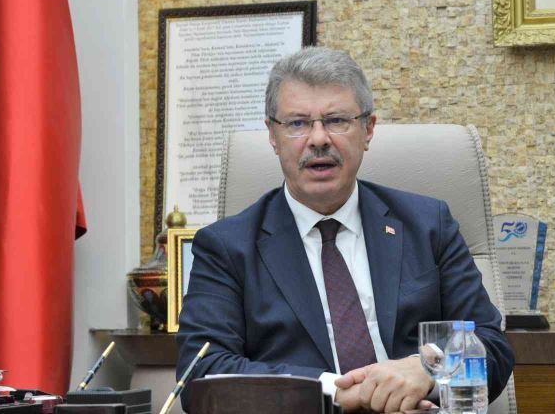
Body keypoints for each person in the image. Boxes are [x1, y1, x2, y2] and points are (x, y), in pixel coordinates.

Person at [175, 47, 514, 413]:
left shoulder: (428, 225)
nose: (319, 139)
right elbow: (202, 375)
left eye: (336, 120)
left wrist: (430, 368)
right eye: (298, 123)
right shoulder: (226, 248)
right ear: (272, 135)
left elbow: (491, 345)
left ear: (368, 130)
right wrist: (333, 394)